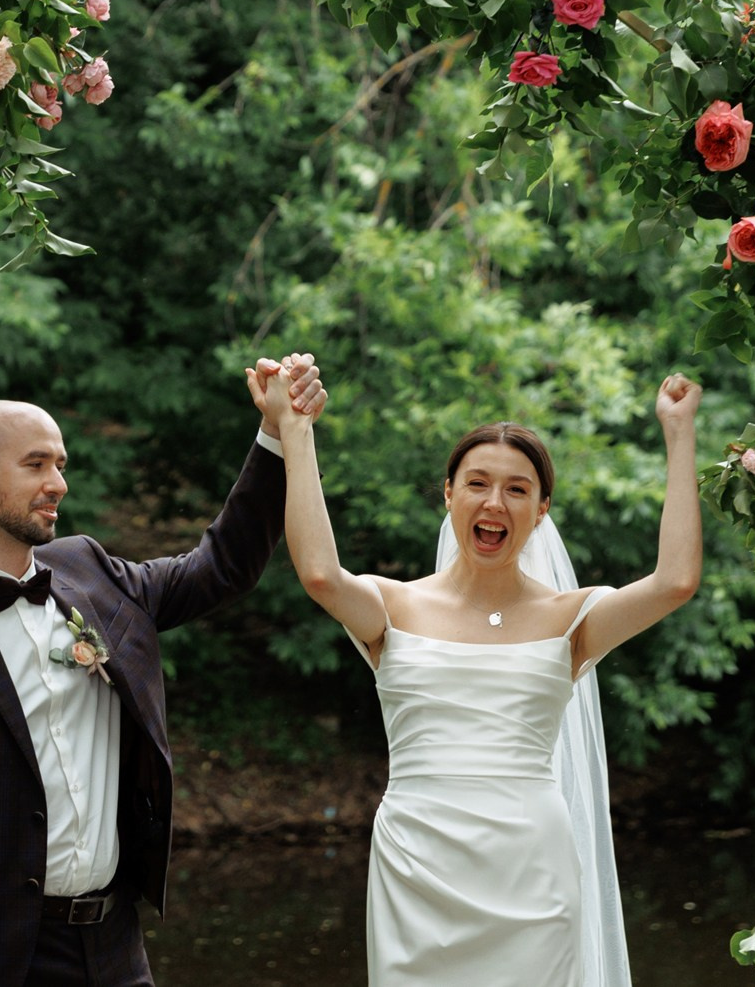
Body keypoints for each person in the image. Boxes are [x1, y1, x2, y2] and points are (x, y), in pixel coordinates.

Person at [0, 357, 327, 987]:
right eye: (36, 464)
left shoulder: (92, 572)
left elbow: (222, 566)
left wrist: (274, 432)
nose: (58, 484)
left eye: (61, 465)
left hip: (115, 949)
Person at [254, 370, 704, 987]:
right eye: (477, 483)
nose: (495, 503)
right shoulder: (393, 606)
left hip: (533, 872)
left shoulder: (571, 618)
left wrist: (679, 432)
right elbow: (319, 575)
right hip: (418, 864)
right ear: (449, 494)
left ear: (541, 511)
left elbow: (675, 582)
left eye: (517, 490)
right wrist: (296, 427)